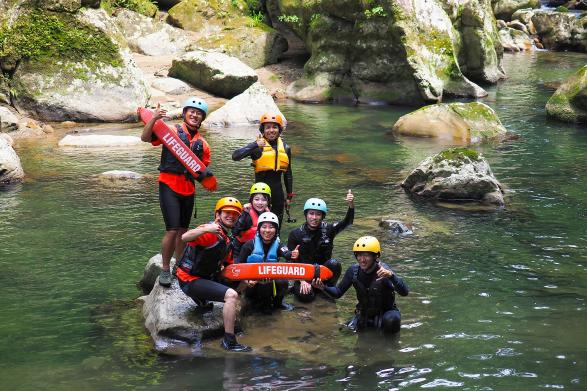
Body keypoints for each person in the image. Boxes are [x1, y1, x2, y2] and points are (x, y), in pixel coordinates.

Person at [141, 97, 212, 288]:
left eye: (199, 113)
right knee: (172, 229)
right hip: (168, 186)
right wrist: (154, 119)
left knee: (183, 231)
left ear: (202, 119)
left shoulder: (203, 144)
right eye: (192, 111)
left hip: (188, 191)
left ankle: (179, 266)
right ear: (184, 113)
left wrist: (207, 176)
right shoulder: (170, 132)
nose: (195, 115)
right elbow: (145, 138)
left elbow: (202, 171)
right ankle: (165, 268)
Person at [175, 197, 252, 352]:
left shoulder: (227, 239)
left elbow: (230, 267)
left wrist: (247, 279)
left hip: (206, 276)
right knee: (230, 295)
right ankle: (229, 341)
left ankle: (204, 299)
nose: (231, 215)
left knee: (242, 283)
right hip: (189, 279)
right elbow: (184, 237)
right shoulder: (210, 230)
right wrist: (205, 229)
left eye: (235, 214)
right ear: (218, 214)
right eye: (227, 212)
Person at [312, 236, 409, 334]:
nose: (362, 260)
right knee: (343, 333)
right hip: (364, 313)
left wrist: (391, 276)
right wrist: (323, 287)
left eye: (366, 255)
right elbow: (338, 293)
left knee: (392, 321)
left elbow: (405, 292)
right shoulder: (353, 271)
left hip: (386, 313)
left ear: (376, 256)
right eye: (359, 255)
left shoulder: (384, 271)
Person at [287, 190, 355, 302]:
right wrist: (302, 280)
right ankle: (300, 289)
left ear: (323, 216)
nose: (314, 217)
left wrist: (351, 205)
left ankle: (326, 289)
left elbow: (347, 222)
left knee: (335, 264)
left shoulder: (329, 229)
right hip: (304, 275)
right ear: (306, 215)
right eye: (311, 213)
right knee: (307, 297)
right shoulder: (295, 234)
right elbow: (289, 263)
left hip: (323, 273)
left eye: (318, 214)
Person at [231, 112, 293, 224]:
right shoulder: (257, 148)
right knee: (258, 225)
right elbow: (235, 156)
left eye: (274, 127)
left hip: (278, 194)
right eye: (267, 127)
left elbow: (288, 174)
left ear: (279, 130)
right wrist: (255, 144)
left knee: (276, 225)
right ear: (262, 130)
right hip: (259, 194)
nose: (271, 130)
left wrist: (289, 196)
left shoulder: (285, 148)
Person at [236, 212, 294, 313]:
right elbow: (238, 266)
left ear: (276, 230)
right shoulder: (248, 245)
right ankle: (253, 302)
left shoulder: (279, 245)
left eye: (271, 227)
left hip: (270, 281)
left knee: (283, 280)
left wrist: (292, 254)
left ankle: (278, 303)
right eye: (264, 227)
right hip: (252, 284)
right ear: (259, 229)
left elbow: (286, 253)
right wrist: (246, 281)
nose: (267, 230)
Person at [231, 182, 272, 260]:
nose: (260, 203)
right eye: (256, 199)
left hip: (260, 249)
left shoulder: (269, 214)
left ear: (268, 202)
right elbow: (235, 232)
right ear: (251, 200)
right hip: (240, 250)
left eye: (264, 200)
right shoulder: (246, 214)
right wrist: (244, 215)